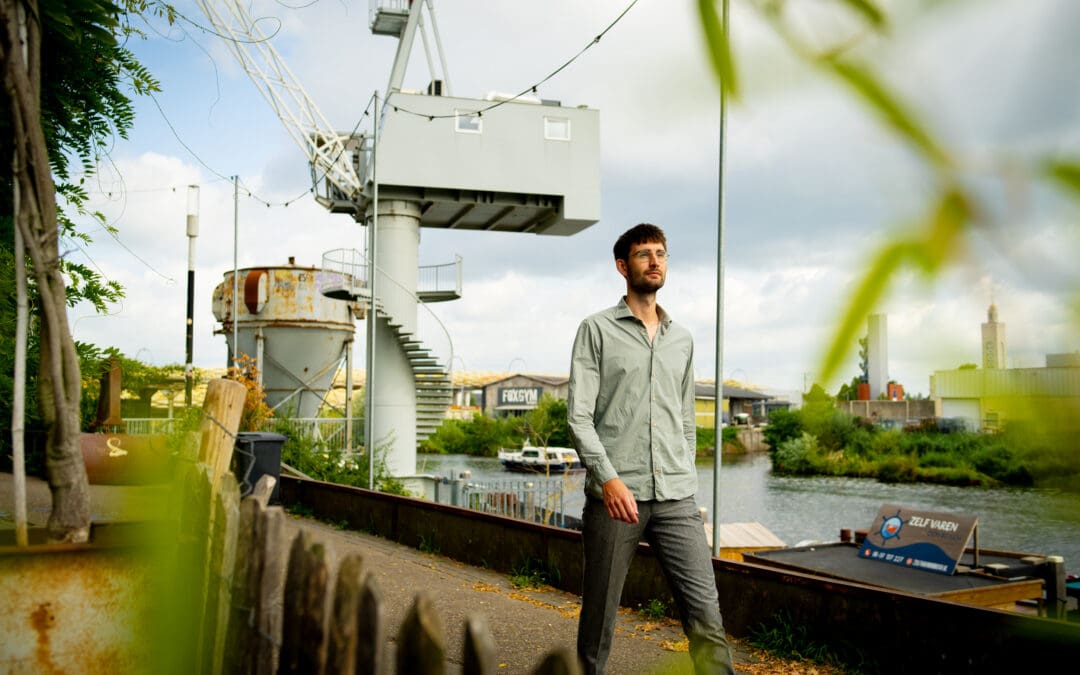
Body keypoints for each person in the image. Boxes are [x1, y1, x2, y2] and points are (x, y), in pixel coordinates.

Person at [567, 223, 735, 675]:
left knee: (706, 616)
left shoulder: (682, 338)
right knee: (599, 621)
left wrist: (686, 471)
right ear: (623, 266)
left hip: (677, 497)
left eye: (661, 253)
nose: (655, 261)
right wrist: (609, 479)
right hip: (616, 497)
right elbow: (578, 417)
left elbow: (684, 417)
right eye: (644, 254)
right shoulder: (596, 330)